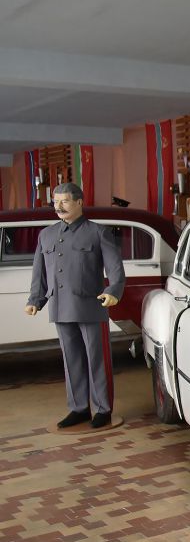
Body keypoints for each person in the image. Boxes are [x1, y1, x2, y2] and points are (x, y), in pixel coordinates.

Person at [25, 183, 126, 429]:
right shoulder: (46, 235)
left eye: (65, 201)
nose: (58, 206)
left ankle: (103, 408)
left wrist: (113, 292)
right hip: (60, 307)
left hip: (90, 306)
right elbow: (40, 273)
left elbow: (115, 269)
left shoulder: (98, 232)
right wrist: (35, 300)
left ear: (79, 202)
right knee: (71, 360)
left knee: (96, 359)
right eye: (55, 202)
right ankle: (79, 408)